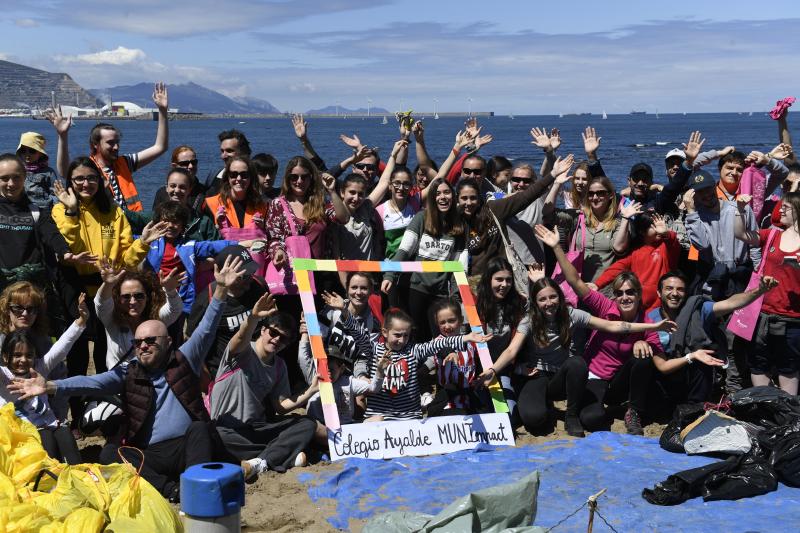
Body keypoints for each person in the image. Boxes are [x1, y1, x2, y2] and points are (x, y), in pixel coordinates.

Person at [9, 255, 248, 502]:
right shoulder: (130, 371)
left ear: (167, 343)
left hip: (187, 447)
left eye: (150, 341)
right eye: (138, 343)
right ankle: (172, 490)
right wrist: (48, 386)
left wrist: (220, 288)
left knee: (200, 428)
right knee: (112, 453)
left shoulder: (185, 357)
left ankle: (196, 487)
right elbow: (94, 381)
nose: (143, 346)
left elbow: (207, 329)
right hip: (151, 455)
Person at [477, 265, 675, 437]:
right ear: (536, 303)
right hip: (536, 375)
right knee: (534, 419)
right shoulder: (529, 320)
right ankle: (541, 402)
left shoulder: (572, 315)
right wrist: (493, 371)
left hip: (561, 377)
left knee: (578, 363)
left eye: (553, 297)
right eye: (542, 299)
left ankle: (571, 415)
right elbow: (511, 351)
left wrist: (653, 327)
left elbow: (614, 326)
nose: (549, 303)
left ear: (560, 298)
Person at [537, 224, 664, 435]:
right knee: (593, 419)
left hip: (618, 383)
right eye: (620, 293)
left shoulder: (646, 320)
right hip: (595, 376)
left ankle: (634, 412)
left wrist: (648, 343)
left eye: (630, 292)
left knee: (644, 357)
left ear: (639, 295)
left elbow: (660, 361)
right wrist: (556, 248)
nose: (625, 297)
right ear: (614, 295)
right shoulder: (606, 307)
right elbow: (574, 281)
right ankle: (603, 409)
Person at [209, 293, 320, 480]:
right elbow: (239, 338)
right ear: (262, 330)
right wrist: (253, 317)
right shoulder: (243, 352)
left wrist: (310, 391)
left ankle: (261, 461)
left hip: (256, 429)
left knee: (306, 424)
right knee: (214, 438)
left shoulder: (279, 366)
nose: (276, 340)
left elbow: (281, 407)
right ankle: (279, 456)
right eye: (273, 332)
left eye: (283, 339)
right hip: (227, 430)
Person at [326, 298, 492, 421]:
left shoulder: (414, 350)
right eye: (397, 335)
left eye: (406, 335)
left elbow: (438, 343)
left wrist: (465, 338)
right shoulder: (374, 349)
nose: (402, 340)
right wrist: (345, 311)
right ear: (384, 332)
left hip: (410, 417)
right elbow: (359, 334)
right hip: (380, 415)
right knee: (374, 423)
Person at [646, 271, 778, 404]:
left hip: (690, 375)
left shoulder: (697, 309)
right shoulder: (650, 319)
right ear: (659, 292)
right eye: (669, 288)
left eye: (680, 289)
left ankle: (696, 407)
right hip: (664, 376)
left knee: (702, 358)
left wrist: (758, 291)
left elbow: (731, 303)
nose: (674, 293)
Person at [0, 295, 88, 463]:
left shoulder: (39, 368)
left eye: (28, 355)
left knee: (65, 435)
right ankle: (51, 480)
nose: (23, 360)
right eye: (17, 355)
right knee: (47, 440)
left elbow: (61, 349)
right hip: (21, 432)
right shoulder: (4, 376)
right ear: (5, 357)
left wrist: (81, 320)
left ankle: (77, 475)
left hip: (49, 423)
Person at [380, 178, 466, 341]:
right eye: (437, 193)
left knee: (439, 337)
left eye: (447, 192)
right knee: (416, 335)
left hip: (440, 293)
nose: (442, 197)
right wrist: (390, 275)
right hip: (416, 288)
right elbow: (403, 251)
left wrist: (455, 296)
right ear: (432, 198)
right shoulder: (421, 218)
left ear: (453, 196)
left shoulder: (459, 227)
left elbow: (458, 267)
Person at [734, 191, 800, 395]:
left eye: (786, 207)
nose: (780, 209)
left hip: (793, 318)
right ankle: (764, 405)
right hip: (762, 313)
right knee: (758, 363)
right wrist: (740, 211)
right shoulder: (772, 234)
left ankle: (787, 413)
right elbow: (740, 234)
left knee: (788, 367)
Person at [0, 154, 82, 299]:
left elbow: (51, 233)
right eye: (4, 178)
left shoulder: (37, 211)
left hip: (30, 292)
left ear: (25, 177)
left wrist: (65, 251)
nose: (11, 184)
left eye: (16, 177)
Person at [82, 83, 170, 212]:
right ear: (95, 144)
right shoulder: (87, 169)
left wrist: (162, 111)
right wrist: (63, 136)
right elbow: (63, 171)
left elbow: (160, 147)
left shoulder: (125, 163)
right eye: (110, 142)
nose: (116, 147)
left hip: (130, 226)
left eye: (117, 142)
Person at [188, 245, 268, 377]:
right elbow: (194, 343)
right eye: (242, 276)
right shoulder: (206, 299)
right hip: (226, 372)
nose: (249, 278)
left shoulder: (259, 285)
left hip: (259, 366)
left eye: (251, 272)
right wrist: (206, 379)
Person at [94, 260, 184, 369]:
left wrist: (170, 290)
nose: (133, 302)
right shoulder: (111, 318)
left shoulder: (156, 318)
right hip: (120, 380)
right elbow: (101, 304)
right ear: (118, 299)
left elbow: (175, 309)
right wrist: (108, 284)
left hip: (149, 380)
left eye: (139, 296)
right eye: (126, 297)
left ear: (147, 297)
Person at [683, 170, 758, 299]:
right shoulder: (693, 218)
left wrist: (757, 273)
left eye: (708, 189)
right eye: (700, 192)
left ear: (715, 187)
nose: (706, 194)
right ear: (693, 196)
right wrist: (691, 211)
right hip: (712, 277)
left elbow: (755, 244)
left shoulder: (740, 208)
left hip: (740, 276)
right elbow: (702, 244)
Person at [472, 257, 529, 421]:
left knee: (507, 416)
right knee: (483, 414)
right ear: (488, 279)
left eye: (508, 280)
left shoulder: (519, 303)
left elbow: (515, 347)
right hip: (478, 368)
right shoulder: (474, 304)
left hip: (503, 367)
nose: (504, 285)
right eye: (499, 279)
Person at [593, 212, 681, 311]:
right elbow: (617, 267)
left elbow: (673, 244)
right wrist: (597, 284)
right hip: (640, 307)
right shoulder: (635, 252)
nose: (658, 229)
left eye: (659, 225)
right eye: (653, 226)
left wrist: (666, 233)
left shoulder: (665, 248)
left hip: (660, 307)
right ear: (642, 231)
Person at [204, 156, 270, 275]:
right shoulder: (211, 204)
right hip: (224, 273)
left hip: (257, 273)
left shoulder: (264, 205)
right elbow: (206, 244)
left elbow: (273, 238)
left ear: (251, 178)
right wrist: (216, 228)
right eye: (233, 174)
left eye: (244, 175)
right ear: (227, 177)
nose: (239, 179)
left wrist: (265, 227)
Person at [425, 299, 490, 416]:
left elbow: (477, 364)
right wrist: (450, 353)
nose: (447, 326)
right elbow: (442, 349)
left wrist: (481, 378)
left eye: (451, 321)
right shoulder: (437, 342)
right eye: (442, 322)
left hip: (470, 395)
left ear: (460, 320)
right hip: (448, 399)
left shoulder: (470, 341)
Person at [151, 145, 203, 211]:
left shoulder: (206, 193)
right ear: (174, 166)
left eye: (194, 162)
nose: (191, 166)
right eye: (185, 163)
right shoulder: (162, 193)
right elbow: (155, 216)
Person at [202, 129, 252, 197]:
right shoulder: (213, 176)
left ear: (243, 152)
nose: (223, 156)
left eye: (229, 151)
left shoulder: (254, 178)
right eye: (222, 151)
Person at [15, 131, 57, 209]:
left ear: (40, 154)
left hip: (43, 209)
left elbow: (55, 194)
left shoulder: (48, 172)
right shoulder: (18, 170)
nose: (27, 154)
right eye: (24, 151)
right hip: (23, 208)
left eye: (32, 151)